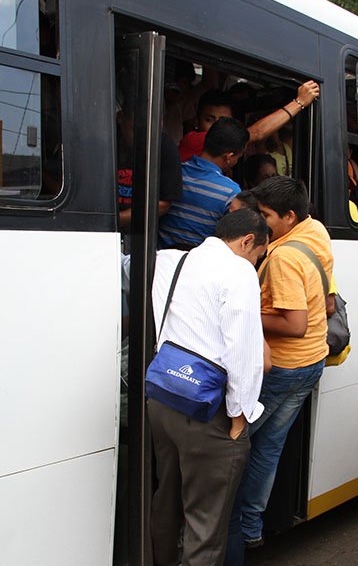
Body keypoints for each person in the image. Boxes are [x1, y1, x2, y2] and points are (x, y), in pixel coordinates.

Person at [148, 209, 270, 566]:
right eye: (258, 255)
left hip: (163, 397)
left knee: (166, 501)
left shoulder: (172, 260)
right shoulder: (239, 271)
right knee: (206, 524)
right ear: (248, 241)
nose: (256, 262)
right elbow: (243, 351)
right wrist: (239, 414)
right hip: (207, 411)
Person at [232, 176, 333, 554]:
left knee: (234, 442)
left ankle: (231, 526)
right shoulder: (315, 231)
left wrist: (243, 312)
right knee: (268, 449)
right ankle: (250, 526)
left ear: (289, 216)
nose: (260, 221)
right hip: (310, 362)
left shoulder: (285, 257)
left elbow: (295, 323)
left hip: (284, 367)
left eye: (266, 215)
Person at [158, 117, 247, 249]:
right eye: (238, 157)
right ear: (228, 157)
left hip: (159, 259)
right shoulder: (230, 192)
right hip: (198, 264)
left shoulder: (174, 172)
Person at [178, 81, 320, 162]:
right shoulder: (194, 141)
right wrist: (299, 102)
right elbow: (256, 133)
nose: (217, 127)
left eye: (224, 121)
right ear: (197, 121)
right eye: (209, 119)